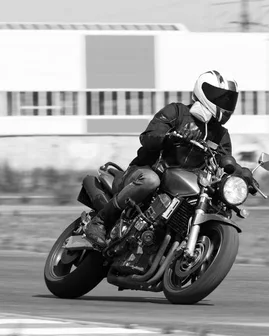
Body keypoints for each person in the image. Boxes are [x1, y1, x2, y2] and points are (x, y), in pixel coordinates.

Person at [85, 70, 240, 247]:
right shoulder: (177, 112)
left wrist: (244, 175)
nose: (225, 103)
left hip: (182, 186)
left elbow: (227, 160)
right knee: (150, 180)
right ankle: (100, 222)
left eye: (228, 99)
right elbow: (148, 136)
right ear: (204, 93)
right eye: (220, 98)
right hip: (147, 170)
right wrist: (167, 138)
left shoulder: (220, 135)